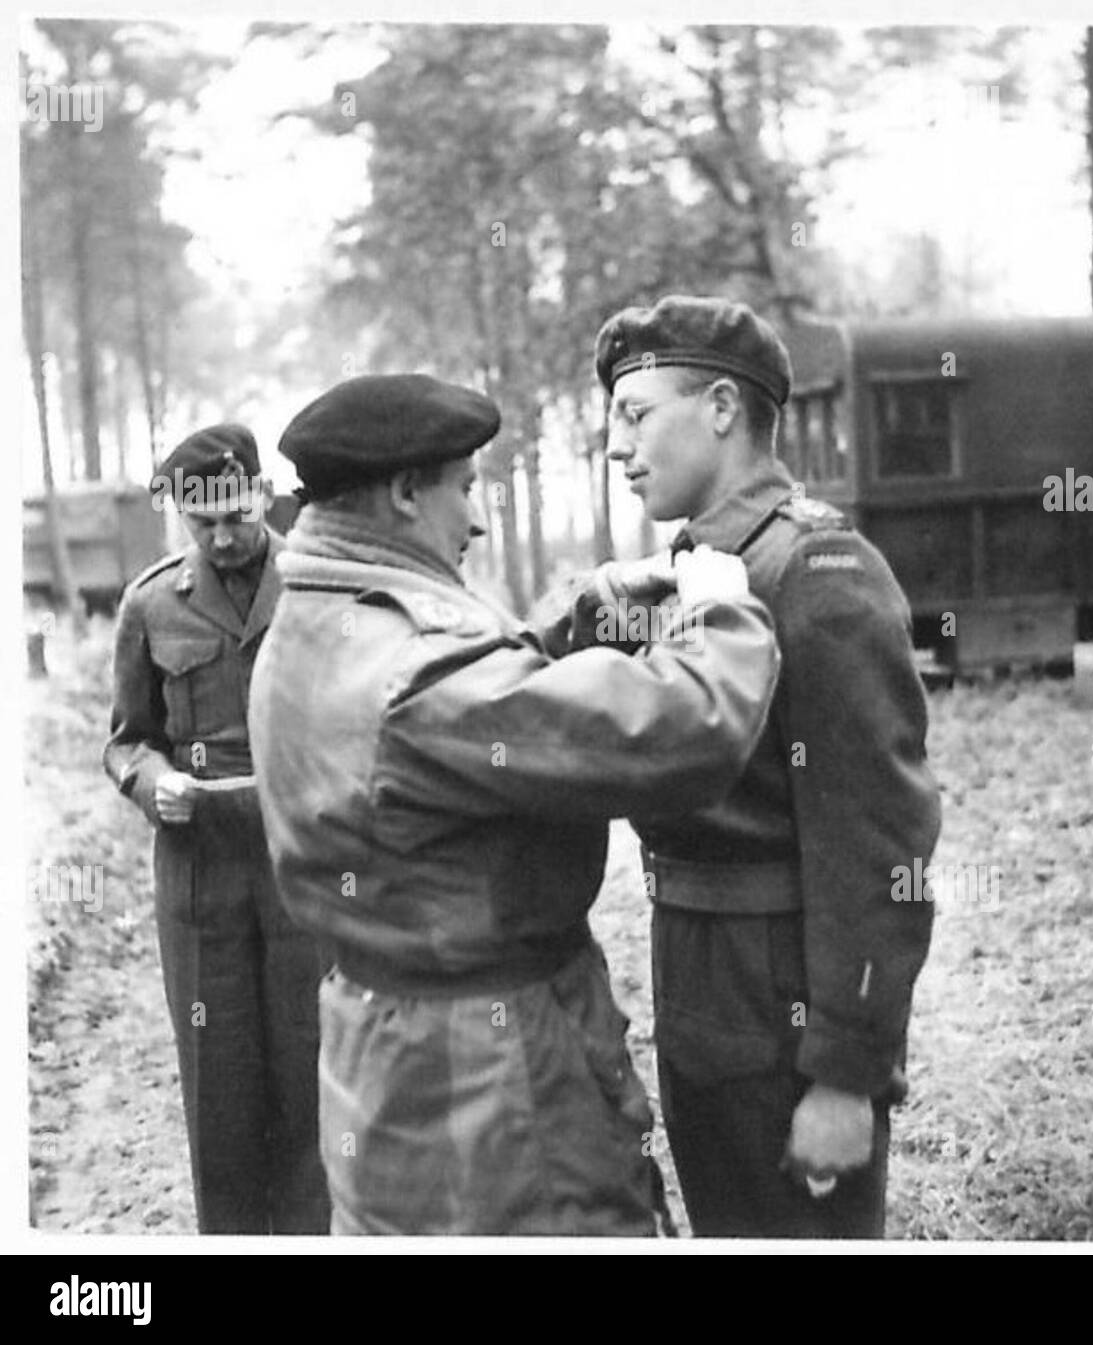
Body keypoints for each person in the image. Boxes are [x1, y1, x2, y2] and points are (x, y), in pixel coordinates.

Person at [247, 373, 780, 1236]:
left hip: (385, 1045)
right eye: (463, 488)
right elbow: (681, 730)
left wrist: (583, 611)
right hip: (490, 1082)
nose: (479, 518)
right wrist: (722, 614)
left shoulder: (314, 616)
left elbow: (475, 699)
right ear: (404, 493)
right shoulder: (413, 674)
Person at [593, 295, 943, 1237]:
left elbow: (881, 844)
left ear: (718, 407)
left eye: (635, 416)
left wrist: (846, 1078)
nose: (618, 447)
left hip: (781, 996)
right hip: (702, 975)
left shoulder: (816, 567)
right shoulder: (695, 564)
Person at [104, 424, 330, 1234]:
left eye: (237, 515)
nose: (225, 536)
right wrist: (151, 780)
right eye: (205, 525)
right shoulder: (151, 602)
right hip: (202, 879)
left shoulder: (317, 585)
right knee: (221, 1092)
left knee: (312, 1077)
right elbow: (127, 736)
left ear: (265, 496)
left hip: (302, 866)